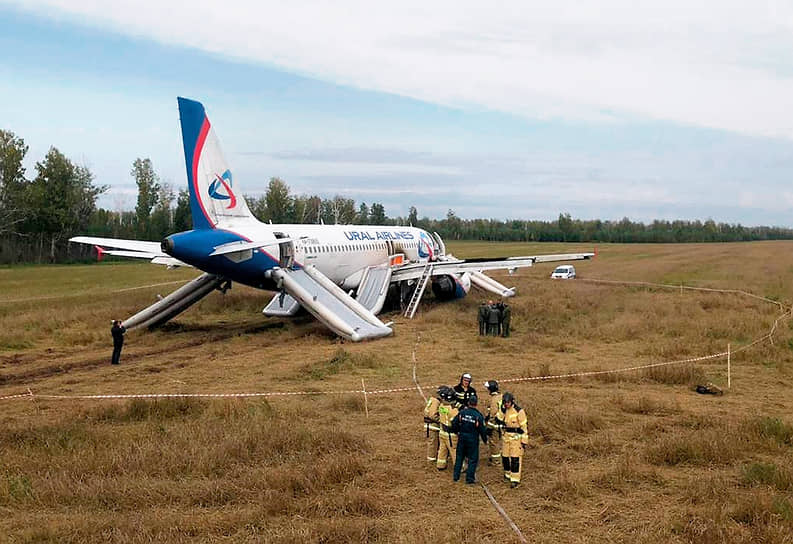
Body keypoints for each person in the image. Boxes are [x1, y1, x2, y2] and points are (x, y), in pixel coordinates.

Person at [451, 395, 488, 484]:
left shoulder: (462, 413)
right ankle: (469, 479)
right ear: (476, 404)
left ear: (468, 403)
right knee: (472, 459)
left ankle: (456, 476)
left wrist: (456, 431)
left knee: (459, 457)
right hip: (473, 440)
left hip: (462, 438)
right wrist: (485, 439)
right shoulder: (478, 416)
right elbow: (482, 429)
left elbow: (454, 423)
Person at [496, 392, 529, 488]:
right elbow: (498, 419)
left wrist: (524, 441)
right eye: (505, 402)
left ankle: (515, 479)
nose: (506, 404)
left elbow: (524, 427)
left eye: (508, 402)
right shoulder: (503, 409)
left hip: (516, 438)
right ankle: (507, 474)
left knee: (515, 459)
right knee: (505, 457)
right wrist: (501, 411)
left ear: (512, 401)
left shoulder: (519, 411)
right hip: (506, 437)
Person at [436, 386, 459, 471]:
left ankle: (440, 465)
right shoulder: (453, 410)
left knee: (442, 449)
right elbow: (455, 423)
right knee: (454, 451)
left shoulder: (441, 406)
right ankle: (460, 467)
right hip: (451, 435)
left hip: (442, 432)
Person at [483, 380, 503, 465]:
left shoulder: (494, 400)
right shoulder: (501, 396)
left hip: (495, 425)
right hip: (502, 424)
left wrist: (489, 427)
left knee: (494, 442)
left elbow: (493, 415)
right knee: (500, 442)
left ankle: (496, 461)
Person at [424, 387, 442, 464]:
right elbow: (433, 415)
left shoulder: (432, 399)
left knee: (434, 443)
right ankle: (431, 460)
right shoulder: (436, 401)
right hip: (432, 426)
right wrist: (441, 421)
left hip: (429, 425)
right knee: (433, 443)